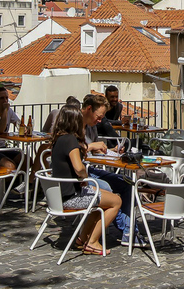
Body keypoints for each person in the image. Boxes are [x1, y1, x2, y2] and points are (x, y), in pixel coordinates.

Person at [50, 105, 121, 255]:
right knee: (116, 201)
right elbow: (78, 168)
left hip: (59, 195)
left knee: (102, 200)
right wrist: (84, 177)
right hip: (70, 197)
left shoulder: (58, 139)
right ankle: (92, 241)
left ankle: (82, 239)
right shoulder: (70, 140)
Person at [81, 93, 145, 247]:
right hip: (81, 174)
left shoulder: (91, 126)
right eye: (99, 116)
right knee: (108, 189)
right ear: (89, 109)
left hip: (89, 168)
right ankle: (127, 231)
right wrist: (91, 147)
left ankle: (129, 232)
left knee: (126, 184)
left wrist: (110, 150)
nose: (100, 120)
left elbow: (91, 151)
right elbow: (70, 150)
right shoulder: (73, 124)